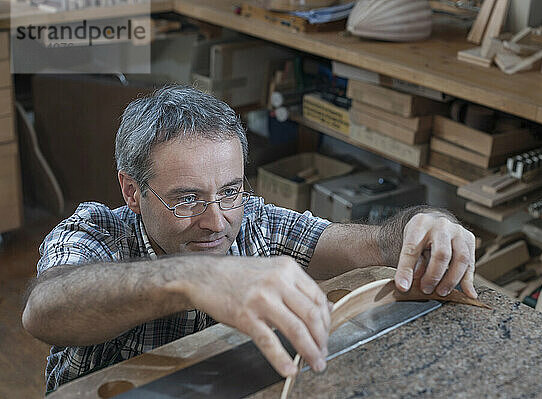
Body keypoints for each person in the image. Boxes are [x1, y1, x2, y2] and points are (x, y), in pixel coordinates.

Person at [22, 86, 477, 393]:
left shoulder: (253, 221)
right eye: (187, 199)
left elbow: (378, 246)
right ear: (131, 192)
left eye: (230, 191)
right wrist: (189, 278)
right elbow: (45, 311)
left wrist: (427, 222)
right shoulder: (96, 232)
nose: (217, 221)